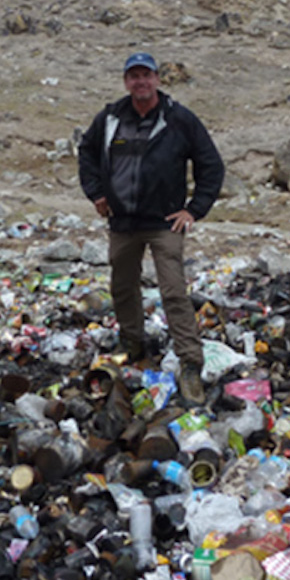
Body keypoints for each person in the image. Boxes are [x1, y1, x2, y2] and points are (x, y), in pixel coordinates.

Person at [78, 52, 225, 405]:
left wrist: (194, 210)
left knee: (174, 291)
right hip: (123, 223)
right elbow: (86, 152)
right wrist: (96, 193)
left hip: (164, 224)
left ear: (158, 79)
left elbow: (211, 165)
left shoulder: (179, 119)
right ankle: (133, 344)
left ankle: (190, 364)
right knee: (122, 287)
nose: (140, 82)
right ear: (126, 81)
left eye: (146, 75)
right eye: (134, 76)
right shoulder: (111, 117)